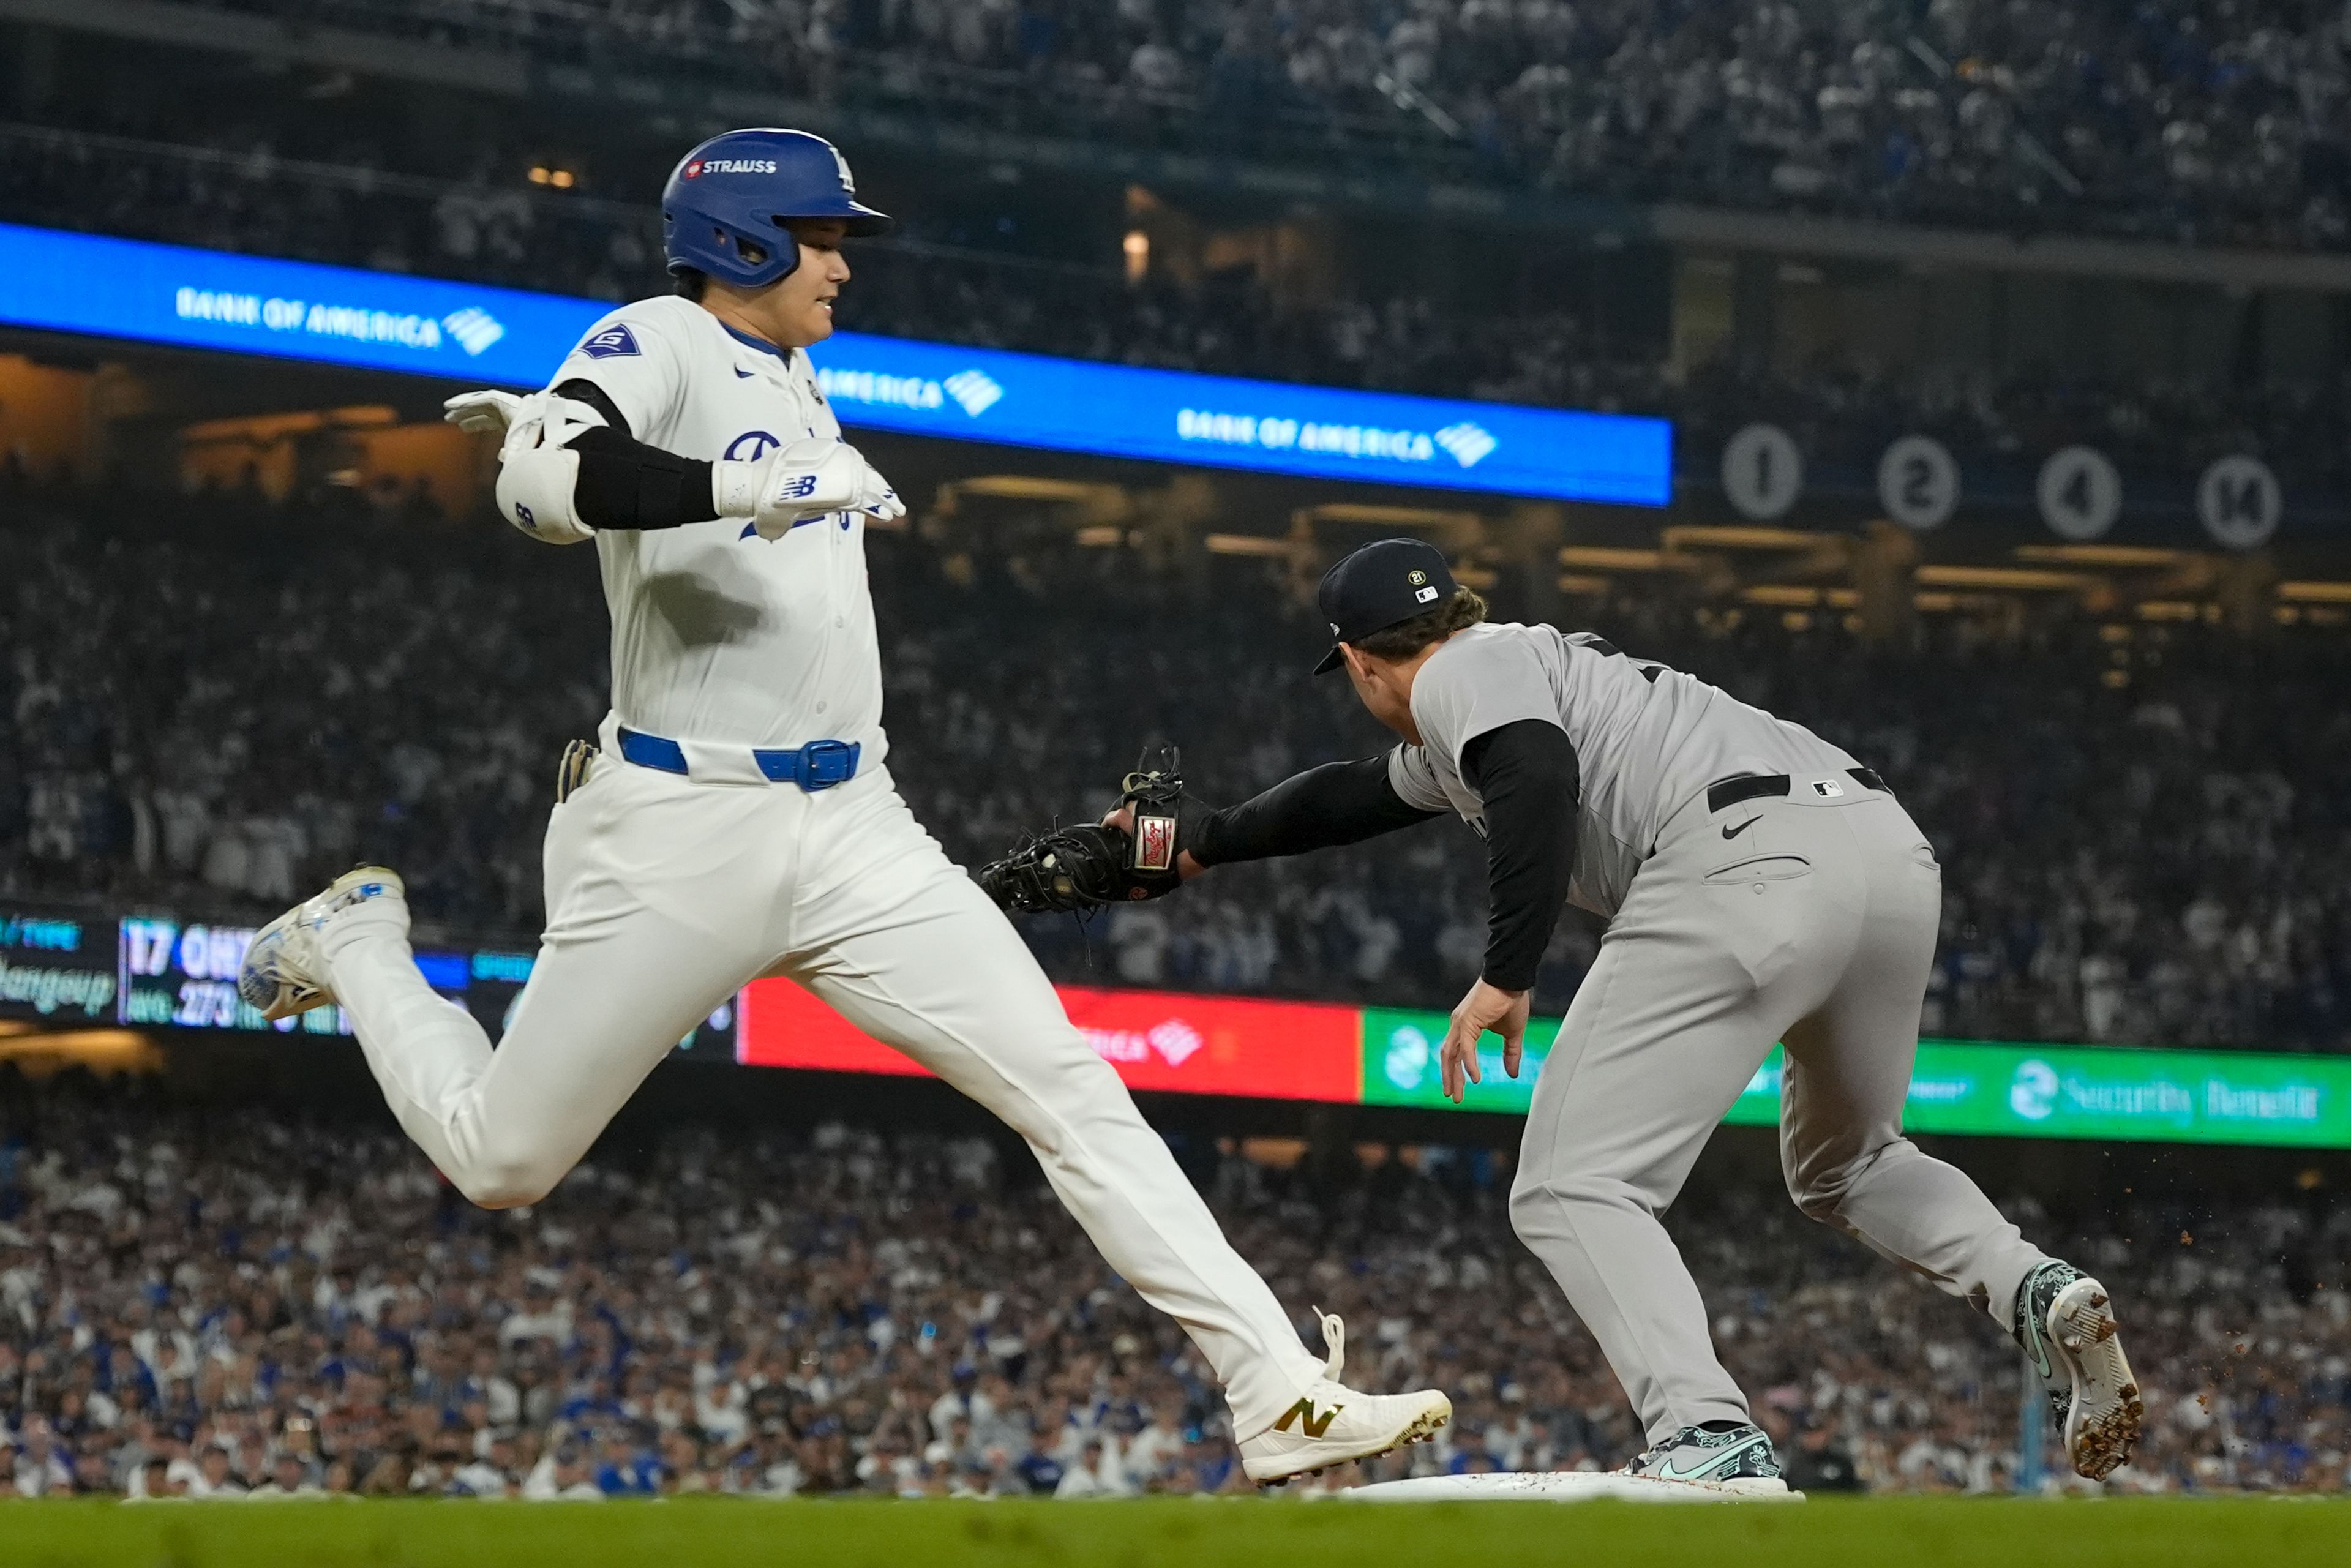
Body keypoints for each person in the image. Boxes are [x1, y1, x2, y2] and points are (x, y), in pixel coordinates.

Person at [236, 127, 1446, 1487]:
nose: (842, 265)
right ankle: (357, 941)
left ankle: (1273, 1388)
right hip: (683, 826)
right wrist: (713, 476)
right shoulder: (663, 336)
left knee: (1069, 1087)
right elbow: (537, 493)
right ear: (744, 241)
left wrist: (641, 454)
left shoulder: (797, 372)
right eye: (822, 238)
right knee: (504, 1159)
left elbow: (607, 471)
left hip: (856, 826)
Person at [1070, 537, 2142, 1491]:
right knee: (1848, 1165)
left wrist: (1508, 966)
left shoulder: (1467, 670)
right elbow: (1348, 797)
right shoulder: (1512, 679)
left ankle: (1707, 1434)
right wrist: (1206, 838)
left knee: (1570, 1182)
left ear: (1358, 659)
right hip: (1885, 855)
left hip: (1744, 859)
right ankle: (2031, 1285)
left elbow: (1534, 776)